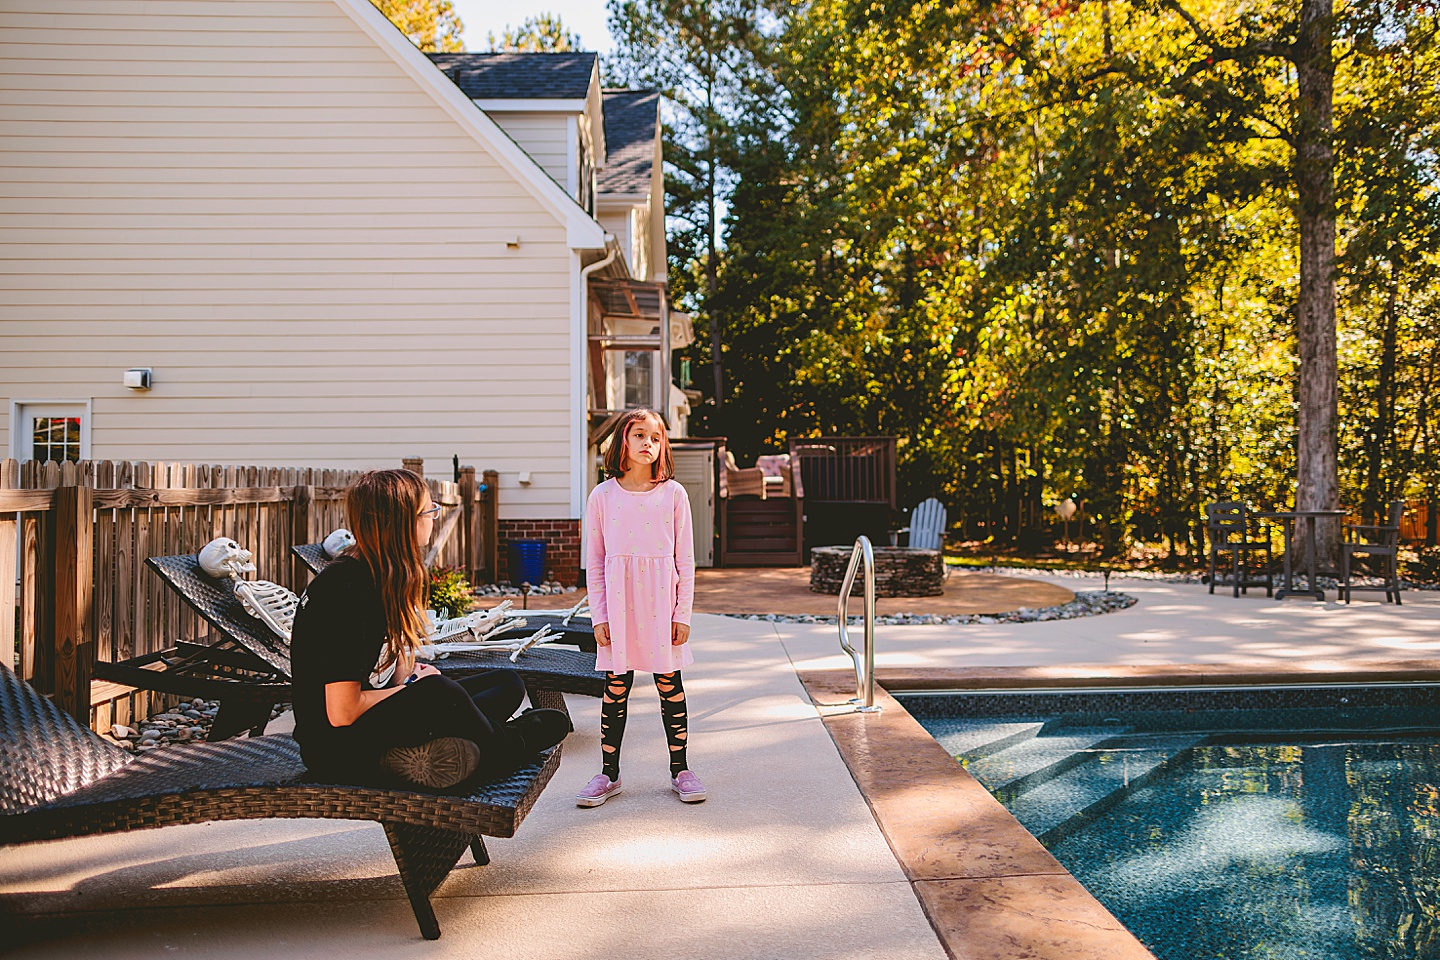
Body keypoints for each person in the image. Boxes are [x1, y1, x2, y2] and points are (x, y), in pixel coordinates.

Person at [290, 468, 571, 790]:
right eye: (428, 510)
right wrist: (413, 691)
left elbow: (376, 672)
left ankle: (456, 746)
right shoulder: (347, 591)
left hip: (367, 723)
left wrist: (406, 677)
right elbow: (342, 712)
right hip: (336, 749)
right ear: (402, 522)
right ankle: (503, 747)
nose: (434, 516)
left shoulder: (376, 576)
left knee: (505, 682)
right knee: (440, 693)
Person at [576, 408, 705, 806]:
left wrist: (682, 612)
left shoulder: (674, 494)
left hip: (662, 605)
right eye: (639, 435)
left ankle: (680, 769)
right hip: (618, 606)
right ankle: (608, 774)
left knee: (670, 686)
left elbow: (686, 560)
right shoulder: (602, 496)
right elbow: (595, 562)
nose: (648, 443)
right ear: (623, 442)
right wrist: (599, 616)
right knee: (616, 687)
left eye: (655, 437)